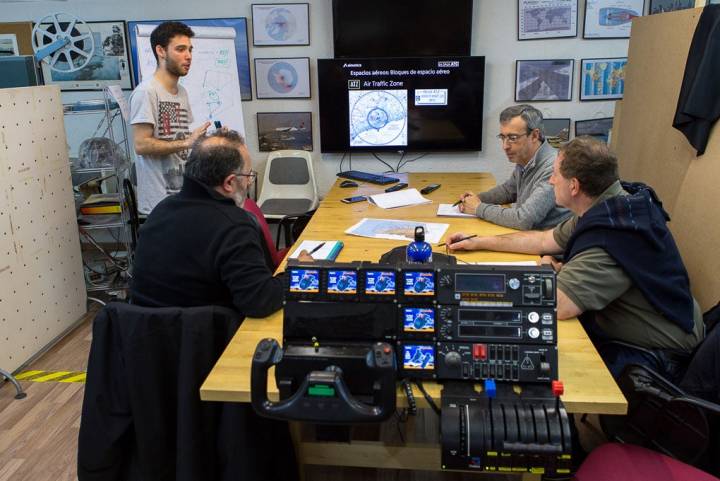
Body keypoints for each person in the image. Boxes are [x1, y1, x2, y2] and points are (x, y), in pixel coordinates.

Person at [447, 137, 704, 381]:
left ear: (574, 186)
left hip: (658, 355)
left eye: (555, 175)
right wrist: (478, 241)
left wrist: (552, 271)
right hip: (655, 329)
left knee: (548, 366)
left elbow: (559, 304)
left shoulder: (612, 235)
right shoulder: (607, 205)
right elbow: (544, 241)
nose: (550, 180)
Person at [130, 129, 313, 315]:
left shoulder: (160, 211)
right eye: (248, 176)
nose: (249, 183)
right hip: (207, 337)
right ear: (229, 183)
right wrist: (298, 271)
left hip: (144, 336)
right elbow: (260, 300)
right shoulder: (234, 225)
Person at [129, 21, 211, 214]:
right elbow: (141, 145)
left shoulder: (181, 91)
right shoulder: (146, 92)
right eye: (181, 49)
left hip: (181, 196)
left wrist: (206, 140)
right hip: (160, 204)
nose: (188, 56)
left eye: (190, 49)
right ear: (161, 51)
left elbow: (179, 137)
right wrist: (186, 143)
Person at [456, 104, 570, 230]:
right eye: (503, 137)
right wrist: (478, 198)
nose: (505, 146)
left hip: (546, 244)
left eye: (512, 138)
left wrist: (478, 208)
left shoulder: (553, 167)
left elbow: (524, 219)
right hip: (530, 238)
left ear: (534, 136)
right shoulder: (525, 157)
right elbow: (508, 191)